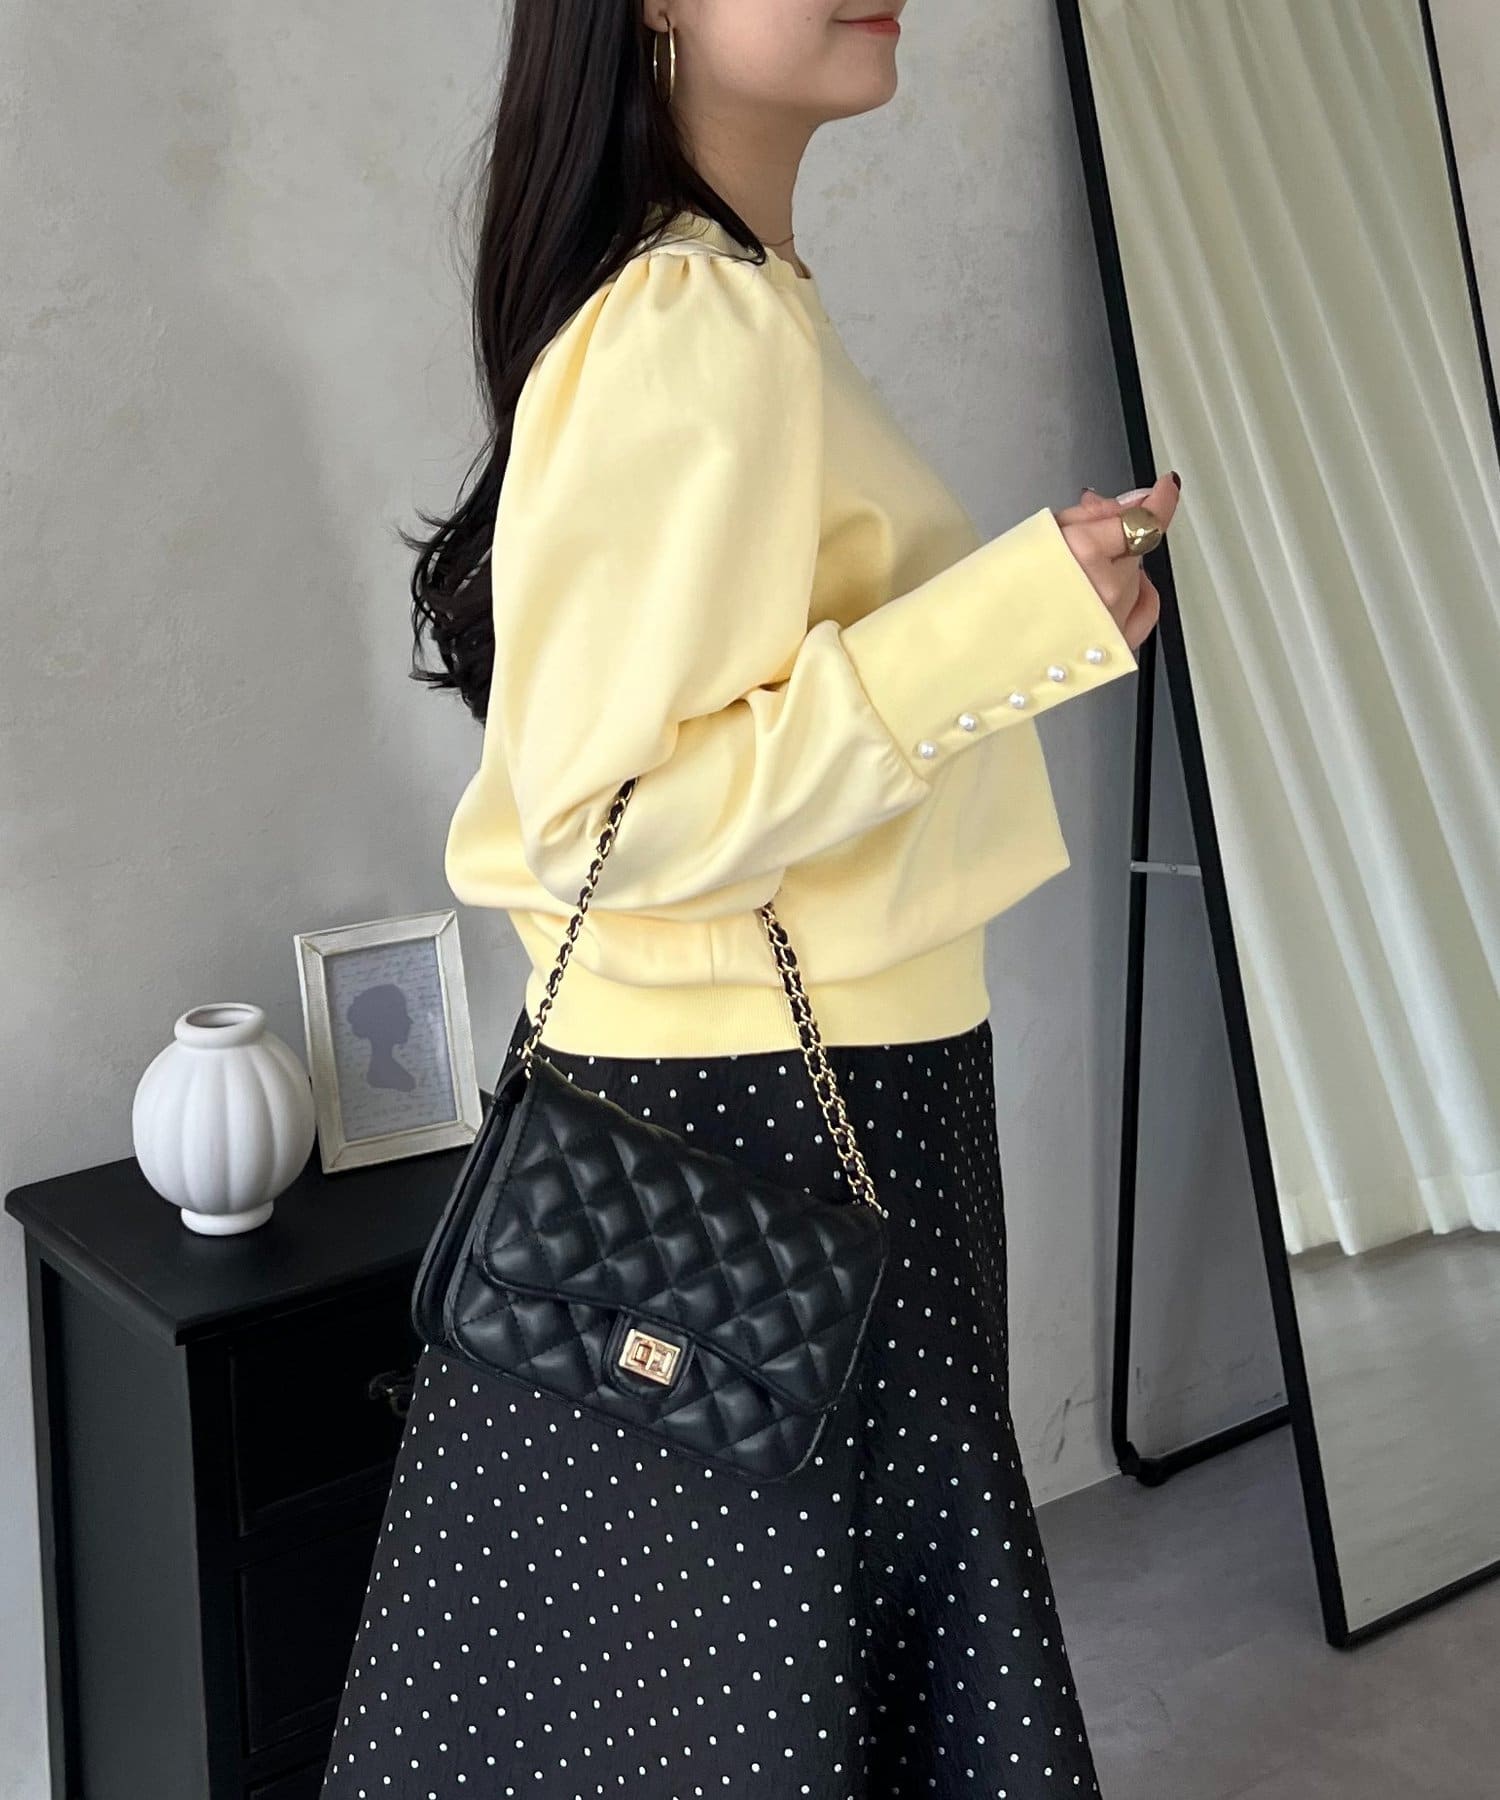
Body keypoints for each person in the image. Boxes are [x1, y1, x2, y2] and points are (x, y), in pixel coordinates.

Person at [321, 4, 1172, 1796]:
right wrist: (1001, 633)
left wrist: (1025, 623)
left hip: (782, 1111)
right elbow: (603, 816)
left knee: (720, 1709)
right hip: (768, 1121)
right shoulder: (684, 321)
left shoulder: (739, 298)